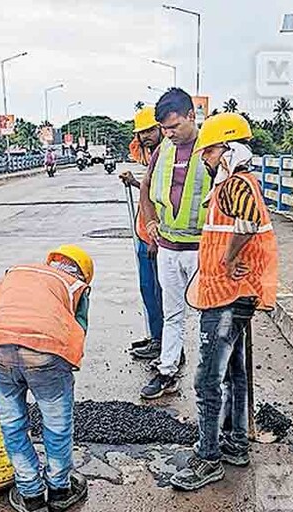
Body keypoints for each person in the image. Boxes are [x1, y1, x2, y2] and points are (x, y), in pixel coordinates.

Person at [168, 112, 278, 491]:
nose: (204, 158)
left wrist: (229, 259)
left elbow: (246, 227)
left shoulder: (236, 184)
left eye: (209, 152)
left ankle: (209, 455)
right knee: (233, 372)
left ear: (226, 149)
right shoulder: (236, 183)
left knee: (207, 379)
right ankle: (234, 443)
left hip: (229, 296)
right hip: (233, 293)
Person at [0, 245, 94, 512]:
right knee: (56, 425)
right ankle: (60, 490)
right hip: (43, 354)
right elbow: (77, 331)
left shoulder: (17, 274)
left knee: (12, 424)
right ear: (84, 275)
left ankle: (31, 494)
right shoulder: (76, 286)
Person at [136, 88, 213, 399]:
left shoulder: (212, 146)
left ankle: (212, 379)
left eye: (174, 126)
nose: (168, 134)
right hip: (169, 248)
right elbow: (145, 185)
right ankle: (167, 372)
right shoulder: (163, 150)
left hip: (202, 249)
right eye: (164, 129)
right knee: (173, 313)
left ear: (191, 116)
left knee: (211, 316)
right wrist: (151, 222)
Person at [119, 106, 166, 360]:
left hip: (154, 238)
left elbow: (162, 199)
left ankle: (162, 343)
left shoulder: (165, 155)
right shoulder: (152, 155)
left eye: (149, 130)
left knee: (158, 292)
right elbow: (150, 191)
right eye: (141, 132)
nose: (145, 136)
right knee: (148, 289)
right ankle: (155, 336)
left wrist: (155, 237)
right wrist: (135, 183)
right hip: (144, 234)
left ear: (160, 127)